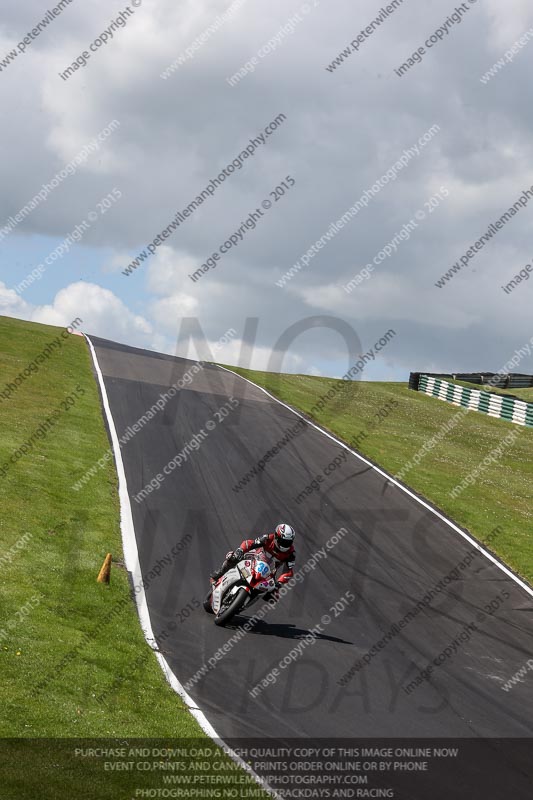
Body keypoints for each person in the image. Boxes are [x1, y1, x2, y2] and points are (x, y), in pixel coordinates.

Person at [210, 523, 296, 597]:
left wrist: (280, 582)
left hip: (269, 571)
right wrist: (240, 550)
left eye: (288, 542)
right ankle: (218, 575)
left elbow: (289, 571)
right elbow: (250, 543)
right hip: (254, 559)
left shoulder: (291, 553)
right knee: (233, 558)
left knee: (273, 595)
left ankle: (243, 602)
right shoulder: (267, 538)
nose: (286, 545)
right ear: (276, 537)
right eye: (283, 541)